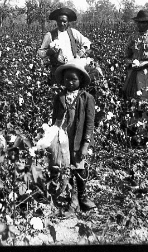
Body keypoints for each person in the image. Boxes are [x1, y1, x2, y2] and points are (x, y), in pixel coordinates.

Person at [51, 59, 96, 217]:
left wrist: (86, 144)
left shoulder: (87, 98)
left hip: (78, 141)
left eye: (74, 79)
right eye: (67, 79)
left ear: (81, 80)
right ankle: (72, 198)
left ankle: (82, 197)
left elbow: (90, 123)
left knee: (80, 168)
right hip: (63, 139)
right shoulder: (59, 97)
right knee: (66, 169)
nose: (70, 82)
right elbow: (55, 118)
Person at [38, 7, 91, 85]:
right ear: (56, 21)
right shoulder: (49, 35)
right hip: (57, 69)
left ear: (68, 22)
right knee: (57, 90)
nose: (62, 24)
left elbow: (86, 42)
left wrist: (80, 53)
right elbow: (40, 52)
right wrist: (48, 52)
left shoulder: (73, 32)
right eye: (59, 21)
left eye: (64, 21)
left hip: (72, 68)